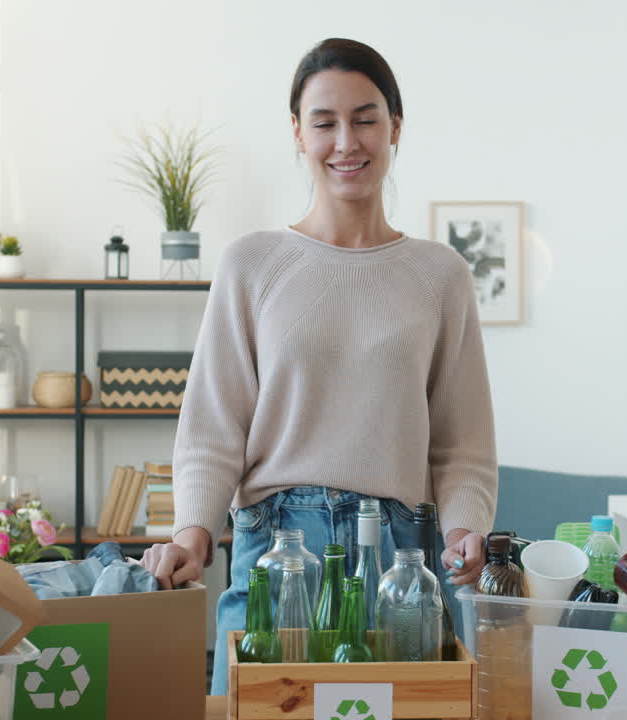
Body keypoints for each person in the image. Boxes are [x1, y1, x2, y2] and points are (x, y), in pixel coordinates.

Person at [142, 37, 497, 694]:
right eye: (324, 122)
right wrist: (192, 535)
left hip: (401, 558)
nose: (346, 142)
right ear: (298, 134)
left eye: (365, 118)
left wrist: (465, 531)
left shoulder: (441, 276)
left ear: (395, 127)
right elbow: (213, 430)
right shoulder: (251, 264)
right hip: (281, 553)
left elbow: (462, 443)